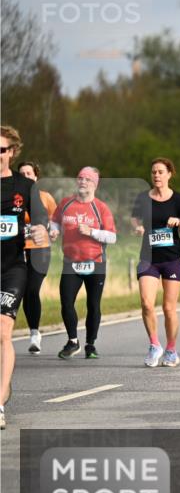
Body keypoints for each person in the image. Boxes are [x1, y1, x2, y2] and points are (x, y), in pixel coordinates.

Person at [1, 126, 49, 429]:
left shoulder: (24, 185)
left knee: (3, 332)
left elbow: (41, 217)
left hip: (12, 268)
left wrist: (42, 229)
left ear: (12, 152)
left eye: (2, 150)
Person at [131, 158, 180, 368]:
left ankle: (171, 349)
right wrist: (137, 227)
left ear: (169, 174)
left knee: (168, 308)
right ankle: (154, 344)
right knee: (147, 304)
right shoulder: (143, 198)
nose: (156, 175)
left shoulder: (178, 200)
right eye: (153, 172)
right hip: (148, 258)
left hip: (172, 259)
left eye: (160, 172)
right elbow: (134, 219)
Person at [51, 167, 117, 359]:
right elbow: (55, 221)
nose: (82, 182)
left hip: (95, 262)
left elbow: (112, 237)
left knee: (93, 305)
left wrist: (92, 232)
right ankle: (73, 341)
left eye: (87, 179)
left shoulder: (100, 207)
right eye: (80, 178)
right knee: (66, 302)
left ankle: (90, 344)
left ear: (94, 184)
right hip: (71, 262)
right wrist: (54, 230)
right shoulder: (66, 203)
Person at [16, 161, 56, 354]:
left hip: (40, 249)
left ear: (36, 177)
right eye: (22, 173)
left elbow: (56, 221)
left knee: (32, 289)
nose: (25, 176)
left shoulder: (45, 197)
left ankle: (34, 334)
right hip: (17, 249)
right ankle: (34, 331)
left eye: (29, 173)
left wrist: (53, 230)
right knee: (22, 292)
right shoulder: (12, 198)